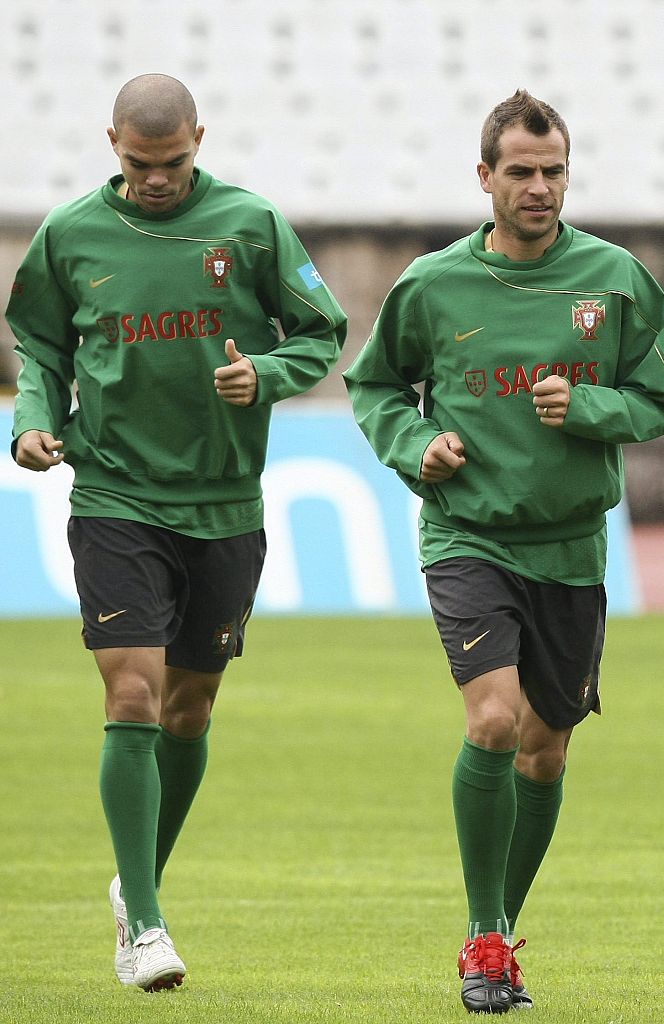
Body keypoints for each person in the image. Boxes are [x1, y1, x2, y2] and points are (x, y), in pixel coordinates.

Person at [344, 89, 664, 1015]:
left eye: (554, 171)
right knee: (493, 723)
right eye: (522, 171)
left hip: (571, 548)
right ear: (485, 177)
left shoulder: (615, 281)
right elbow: (374, 388)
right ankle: (488, 935)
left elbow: (662, 402)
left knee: (545, 753)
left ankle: (492, 932)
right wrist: (418, 449)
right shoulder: (433, 285)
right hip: (468, 536)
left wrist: (590, 409)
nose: (539, 188)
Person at [6, 73, 347, 993]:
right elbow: (38, 343)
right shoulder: (71, 234)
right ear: (111, 143)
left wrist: (267, 374)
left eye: (175, 162)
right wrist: (31, 418)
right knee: (133, 695)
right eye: (140, 164)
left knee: (192, 709)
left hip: (224, 503)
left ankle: (135, 881)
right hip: (115, 494)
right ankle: (146, 930)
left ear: (201, 137)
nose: (158, 179)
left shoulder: (251, 224)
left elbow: (323, 329)